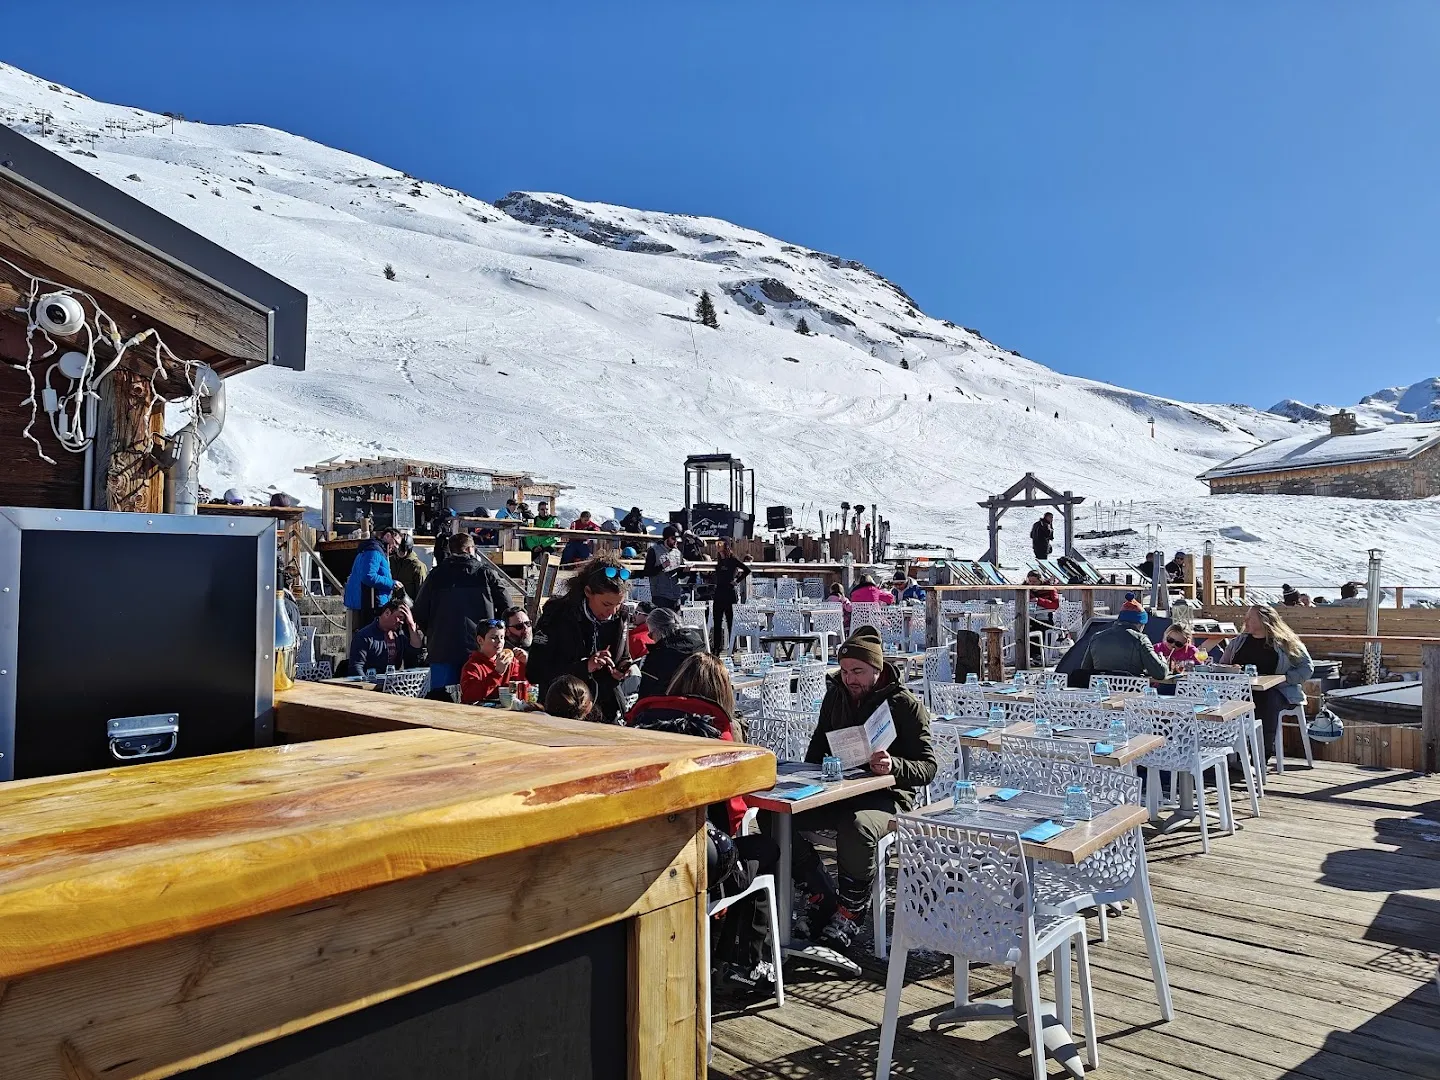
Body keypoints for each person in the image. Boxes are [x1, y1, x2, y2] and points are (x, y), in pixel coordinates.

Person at [628, 653, 781, 990]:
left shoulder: (644, 718)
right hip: (698, 859)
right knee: (763, 850)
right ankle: (743, 962)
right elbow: (733, 811)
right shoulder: (716, 728)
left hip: (644, 854)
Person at [794, 627, 936, 949]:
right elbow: (815, 752)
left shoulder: (905, 705)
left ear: (877, 669)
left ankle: (851, 911)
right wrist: (816, 772)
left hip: (887, 797)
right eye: (844, 671)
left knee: (856, 826)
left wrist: (894, 765)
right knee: (774, 817)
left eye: (857, 671)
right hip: (838, 791)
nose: (849, 679)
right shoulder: (835, 695)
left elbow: (928, 767)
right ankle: (820, 891)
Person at [528, 554, 632, 723]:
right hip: (565, 710)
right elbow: (535, 671)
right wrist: (585, 667)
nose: (612, 612)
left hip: (608, 710)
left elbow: (623, 655)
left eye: (618, 604)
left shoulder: (621, 616)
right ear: (588, 592)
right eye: (606, 604)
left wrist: (622, 667)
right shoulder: (557, 614)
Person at [412, 532, 512, 692]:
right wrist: (496, 635)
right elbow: (507, 607)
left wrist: (432, 632)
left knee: (442, 704)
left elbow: (418, 611)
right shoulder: (485, 573)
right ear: (471, 549)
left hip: (442, 650)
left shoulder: (436, 575)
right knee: (479, 700)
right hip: (480, 651)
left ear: (451, 551)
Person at [1222, 605, 1314, 763]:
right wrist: (1231, 669)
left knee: (1267, 699)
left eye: (1250, 618)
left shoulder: (1285, 643)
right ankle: (1230, 754)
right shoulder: (1239, 642)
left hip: (1279, 691)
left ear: (1264, 620)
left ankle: (1262, 753)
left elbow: (1307, 668)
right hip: (1242, 690)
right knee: (1223, 701)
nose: (1246, 620)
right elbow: (1222, 665)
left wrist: (1285, 678)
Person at [1080, 600, 1167, 680]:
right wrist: (1163, 661)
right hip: (1132, 692)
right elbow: (1160, 673)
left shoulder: (1096, 638)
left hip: (1102, 691)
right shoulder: (1140, 640)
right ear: (1141, 623)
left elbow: (1084, 671)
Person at [638, 606, 707, 699]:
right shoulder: (697, 641)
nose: (651, 638)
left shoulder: (657, 656)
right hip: (701, 697)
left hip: (668, 704)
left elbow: (645, 693)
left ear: (658, 631)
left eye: (650, 634)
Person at [348, 597, 425, 676]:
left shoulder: (399, 636)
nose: (402, 622)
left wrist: (411, 626)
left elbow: (415, 651)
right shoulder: (364, 636)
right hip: (370, 684)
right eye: (399, 617)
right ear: (387, 613)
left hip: (393, 684)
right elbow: (356, 667)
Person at [459, 619, 526, 704]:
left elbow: (523, 687)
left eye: (502, 637)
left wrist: (525, 663)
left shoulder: (509, 661)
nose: (499, 642)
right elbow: (469, 696)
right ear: (480, 640)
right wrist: (497, 673)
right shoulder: (473, 666)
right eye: (494, 638)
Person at [344, 527, 398, 630]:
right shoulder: (374, 551)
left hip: (367, 601)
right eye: (395, 542)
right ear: (387, 536)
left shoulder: (370, 550)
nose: (396, 546)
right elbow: (369, 576)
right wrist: (392, 584)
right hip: (370, 603)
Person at [711, 538, 751, 652]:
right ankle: (716, 649)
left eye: (720, 544)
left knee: (730, 622)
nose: (718, 546)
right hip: (719, 592)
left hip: (729, 593)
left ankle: (732, 648)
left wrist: (737, 581)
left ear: (726, 546)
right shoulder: (719, 561)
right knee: (717, 623)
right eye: (716, 544)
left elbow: (747, 570)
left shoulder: (732, 560)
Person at [644, 525, 688, 611]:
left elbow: (680, 575)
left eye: (676, 539)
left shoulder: (677, 552)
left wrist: (685, 571)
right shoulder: (654, 550)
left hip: (675, 594)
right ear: (666, 538)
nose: (675, 541)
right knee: (661, 622)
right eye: (673, 539)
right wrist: (661, 566)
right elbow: (647, 572)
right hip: (660, 595)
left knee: (675, 622)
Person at [388, 532, 428, 602]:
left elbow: (421, 592)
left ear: (408, 549)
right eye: (399, 548)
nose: (400, 551)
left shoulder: (417, 566)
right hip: (391, 602)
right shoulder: (390, 561)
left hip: (408, 604)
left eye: (403, 549)